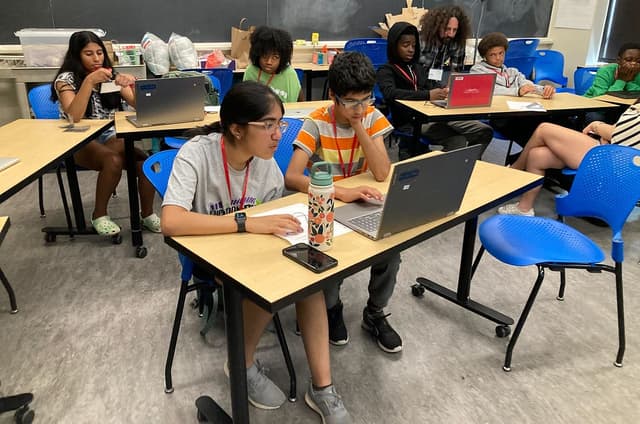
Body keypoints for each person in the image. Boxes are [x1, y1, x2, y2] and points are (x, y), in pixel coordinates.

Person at [161, 81, 352, 423]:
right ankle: (242, 364)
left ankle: (322, 388)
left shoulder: (262, 160)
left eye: (279, 123)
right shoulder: (197, 153)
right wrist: (243, 223)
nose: (278, 135)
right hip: (209, 254)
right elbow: (172, 221)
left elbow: (275, 212)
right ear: (235, 128)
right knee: (278, 281)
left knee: (309, 275)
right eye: (268, 125)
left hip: (251, 247)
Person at [285, 51, 403, 354]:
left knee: (391, 250)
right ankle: (332, 308)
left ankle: (375, 312)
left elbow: (381, 172)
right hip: (328, 206)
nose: (361, 108)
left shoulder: (371, 117)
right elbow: (293, 177)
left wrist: (360, 124)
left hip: (365, 203)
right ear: (333, 96)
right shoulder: (316, 122)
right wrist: (339, 191)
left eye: (367, 99)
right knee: (329, 257)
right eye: (352, 102)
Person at [52, 31, 160, 236]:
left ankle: (147, 215)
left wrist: (132, 84)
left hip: (110, 136)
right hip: (79, 138)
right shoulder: (65, 79)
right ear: (76, 56)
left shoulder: (109, 75)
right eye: (89, 54)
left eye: (99, 53)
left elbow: (139, 106)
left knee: (147, 164)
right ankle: (99, 215)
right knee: (113, 160)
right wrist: (89, 82)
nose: (96, 59)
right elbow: (74, 116)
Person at [498, 101, 640, 216]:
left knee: (544, 129)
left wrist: (597, 126)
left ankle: (514, 172)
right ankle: (524, 208)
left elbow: (617, 133)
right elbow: (618, 130)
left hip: (618, 164)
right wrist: (606, 132)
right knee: (537, 155)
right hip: (610, 152)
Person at [377, 22, 492, 160]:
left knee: (484, 131)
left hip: (435, 114)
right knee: (457, 141)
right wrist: (428, 95)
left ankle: (469, 163)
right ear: (394, 46)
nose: (411, 49)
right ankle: (447, 172)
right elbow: (391, 93)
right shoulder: (386, 70)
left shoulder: (417, 67)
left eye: (414, 45)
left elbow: (429, 86)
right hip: (411, 121)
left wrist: (443, 91)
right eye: (405, 45)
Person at [470, 32, 555, 152]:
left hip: (518, 112)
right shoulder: (478, 70)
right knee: (531, 128)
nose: (498, 58)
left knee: (549, 120)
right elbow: (489, 90)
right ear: (485, 56)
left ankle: (543, 155)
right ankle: (532, 156)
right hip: (500, 116)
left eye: (501, 53)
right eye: (493, 55)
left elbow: (526, 84)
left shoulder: (512, 71)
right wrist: (517, 91)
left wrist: (543, 90)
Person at [584, 42, 640, 124]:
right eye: (628, 60)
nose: (633, 64)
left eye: (638, 61)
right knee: (596, 118)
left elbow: (638, 95)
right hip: (596, 108)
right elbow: (601, 99)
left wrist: (628, 81)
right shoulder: (605, 71)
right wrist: (621, 80)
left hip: (625, 108)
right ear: (619, 60)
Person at [243, 26, 303, 103]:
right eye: (264, 56)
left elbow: (299, 103)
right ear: (257, 54)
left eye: (275, 57)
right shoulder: (251, 71)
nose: (269, 62)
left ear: (283, 58)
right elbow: (245, 101)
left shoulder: (289, 74)